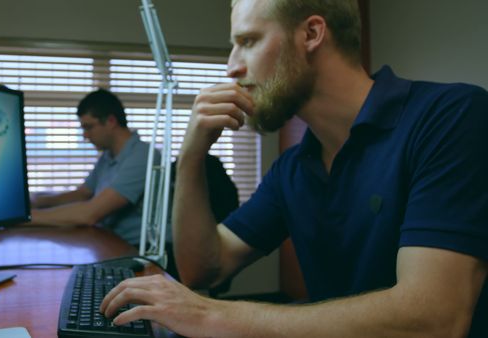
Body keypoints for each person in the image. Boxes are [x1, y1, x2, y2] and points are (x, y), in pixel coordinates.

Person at [100, 0, 488, 337]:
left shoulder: (450, 117)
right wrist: (191, 157)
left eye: (248, 41)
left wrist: (211, 314)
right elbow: (205, 268)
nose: (232, 67)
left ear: (312, 33)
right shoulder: (294, 168)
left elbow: (434, 320)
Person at [29, 88, 161, 245]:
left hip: (137, 250)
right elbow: (83, 193)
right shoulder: (108, 155)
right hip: (110, 241)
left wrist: (26, 217)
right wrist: (39, 201)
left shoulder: (143, 155)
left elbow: (90, 213)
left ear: (111, 121)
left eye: (89, 127)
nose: (85, 135)